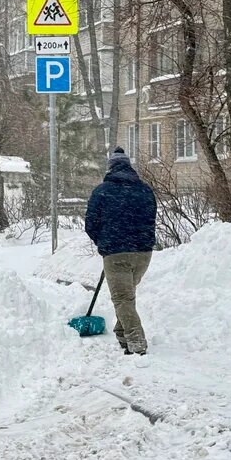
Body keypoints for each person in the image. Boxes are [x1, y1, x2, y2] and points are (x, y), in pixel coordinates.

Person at [85, 147, 157, 355]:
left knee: (123, 299)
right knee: (127, 296)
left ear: (110, 168)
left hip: (116, 252)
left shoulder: (102, 191)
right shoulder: (145, 190)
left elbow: (90, 224)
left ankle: (136, 342)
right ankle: (122, 333)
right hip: (143, 253)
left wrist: (104, 243)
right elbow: (151, 218)